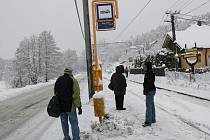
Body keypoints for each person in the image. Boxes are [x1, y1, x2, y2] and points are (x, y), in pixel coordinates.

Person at [54, 67, 82, 140]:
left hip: (61, 107)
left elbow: (55, 92)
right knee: (74, 123)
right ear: (71, 72)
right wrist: (79, 106)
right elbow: (76, 95)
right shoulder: (73, 80)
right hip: (70, 106)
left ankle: (66, 137)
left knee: (64, 123)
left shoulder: (59, 79)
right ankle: (76, 138)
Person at [142, 62, 156, 127]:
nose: (143, 67)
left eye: (144, 66)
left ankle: (148, 121)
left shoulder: (148, 74)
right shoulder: (151, 72)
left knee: (148, 106)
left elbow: (148, 84)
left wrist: (145, 91)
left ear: (148, 66)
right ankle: (152, 119)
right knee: (151, 105)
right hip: (152, 90)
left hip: (149, 91)